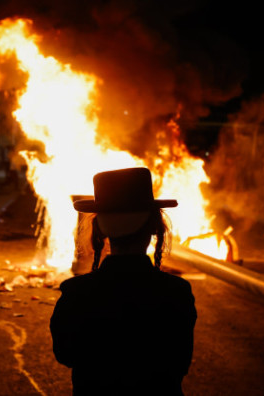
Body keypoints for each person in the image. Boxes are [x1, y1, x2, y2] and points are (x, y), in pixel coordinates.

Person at [50, 167, 197, 396]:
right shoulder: (176, 293)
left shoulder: (76, 293)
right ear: (154, 229)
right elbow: (180, 362)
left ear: (99, 232)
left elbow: (65, 354)